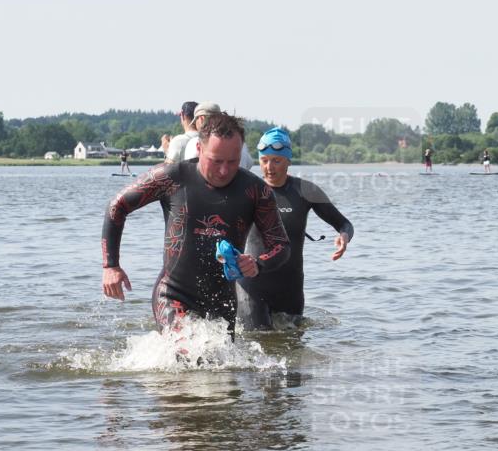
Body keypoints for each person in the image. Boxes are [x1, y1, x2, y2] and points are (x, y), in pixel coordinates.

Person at [101, 112, 290, 336]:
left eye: (233, 161)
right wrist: (111, 265)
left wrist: (258, 263)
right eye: (216, 160)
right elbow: (116, 206)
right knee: (189, 353)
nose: (224, 170)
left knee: (221, 369)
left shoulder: (255, 190)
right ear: (199, 149)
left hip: (223, 302)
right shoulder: (171, 178)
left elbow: (281, 245)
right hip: (173, 295)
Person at [237, 127, 354, 331]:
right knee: (258, 343)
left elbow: (344, 223)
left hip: (290, 289)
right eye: (264, 160)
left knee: (293, 354)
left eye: (276, 160)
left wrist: (344, 236)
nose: (269, 167)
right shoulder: (249, 191)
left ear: (288, 160)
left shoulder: (305, 191)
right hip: (253, 286)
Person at [183, 101, 254, 170]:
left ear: (201, 119)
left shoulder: (194, 143)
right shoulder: (240, 142)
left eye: (196, 121)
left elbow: (189, 169)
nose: (195, 125)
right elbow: (250, 163)